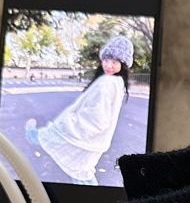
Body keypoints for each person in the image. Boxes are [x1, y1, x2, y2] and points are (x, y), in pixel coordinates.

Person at [25, 35, 134, 185]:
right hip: (97, 140)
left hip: (86, 135)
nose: (108, 65)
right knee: (82, 172)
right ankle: (33, 135)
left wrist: (68, 121)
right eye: (106, 60)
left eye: (114, 62)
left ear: (123, 64)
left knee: (53, 139)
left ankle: (31, 135)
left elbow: (98, 117)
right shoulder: (117, 82)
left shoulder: (107, 83)